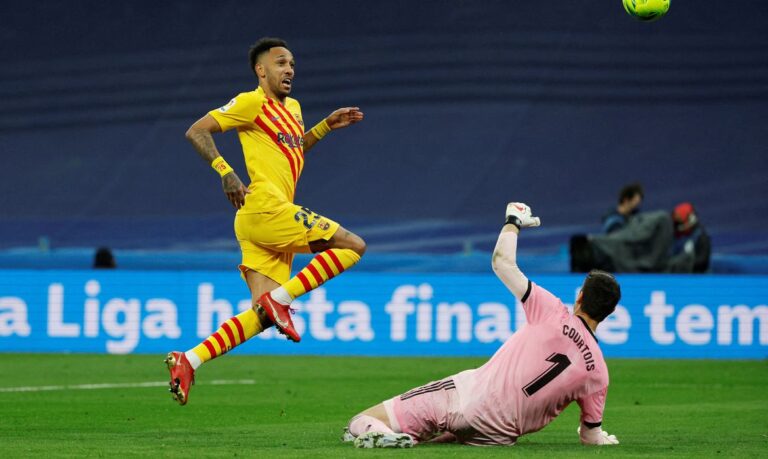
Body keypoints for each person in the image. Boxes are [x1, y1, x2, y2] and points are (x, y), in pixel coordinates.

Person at [165, 37, 367, 405]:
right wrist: (225, 171)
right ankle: (282, 300)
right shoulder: (250, 102)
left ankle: (189, 360)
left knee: (261, 314)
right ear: (261, 70)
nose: (289, 69)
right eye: (280, 63)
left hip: (261, 221)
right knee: (354, 245)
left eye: (291, 63)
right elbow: (197, 130)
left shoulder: (294, 108)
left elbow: (290, 149)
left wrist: (323, 127)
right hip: (264, 207)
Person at [343, 203, 620, 448]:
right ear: (609, 313)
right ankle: (405, 438)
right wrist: (604, 439)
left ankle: (383, 434)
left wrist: (513, 222)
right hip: (497, 435)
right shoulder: (598, 373)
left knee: (360, 421)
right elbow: (590, 437)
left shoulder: (554, 312)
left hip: (465, 398)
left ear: (580, 297)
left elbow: (503, 264)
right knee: (439, 442)